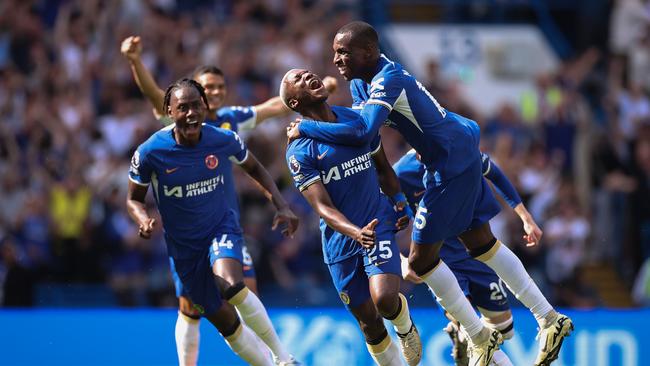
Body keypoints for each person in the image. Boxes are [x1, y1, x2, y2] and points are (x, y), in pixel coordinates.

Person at [287, 21, 573, 366]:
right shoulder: (361, 85)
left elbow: (363, 134)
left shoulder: (387, 78)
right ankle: (547, 318)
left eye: (343, 52)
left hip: (449, 160)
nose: (336, 60)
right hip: (447, 150)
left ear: (369, 52)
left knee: (421, 262)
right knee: (480, 242)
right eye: (334, 53)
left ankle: (479, 333)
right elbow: (367, 135)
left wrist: (305, 126)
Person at [121, 35, 329, 365]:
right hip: (184, 245)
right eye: (183, 107)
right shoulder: (151, 152)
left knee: (235, 286)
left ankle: (284, 358)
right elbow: (133, 199)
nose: (192, 113)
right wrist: (142, 217)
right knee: (213, 318)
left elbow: (257, 165)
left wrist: (282, 205)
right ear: (168, 112)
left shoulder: (225, 132)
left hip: (222, 228)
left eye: (198, 104)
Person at [281, 69, 421, 366]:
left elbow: (383, 168)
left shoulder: (356, 120)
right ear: (294, 103)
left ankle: (404, 325)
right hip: (340, 240)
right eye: (299, 80)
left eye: (309, 73)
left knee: (384, 300)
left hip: (376, 222)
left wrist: (398, 201)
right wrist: (354, 232)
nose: (309, 77)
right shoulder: (298, 151)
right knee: (368, 321)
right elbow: (322, 207)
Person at [396, 150, 543, 366]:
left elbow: (495, 174)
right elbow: (383, 220)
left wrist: (526, 217)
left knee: (505, 329)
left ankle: (461, 337)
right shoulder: (401, 173)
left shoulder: (457, 147)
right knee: (468, 322)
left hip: (476, 250)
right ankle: (467, 335)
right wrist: (402, 262)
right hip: (440, 259)